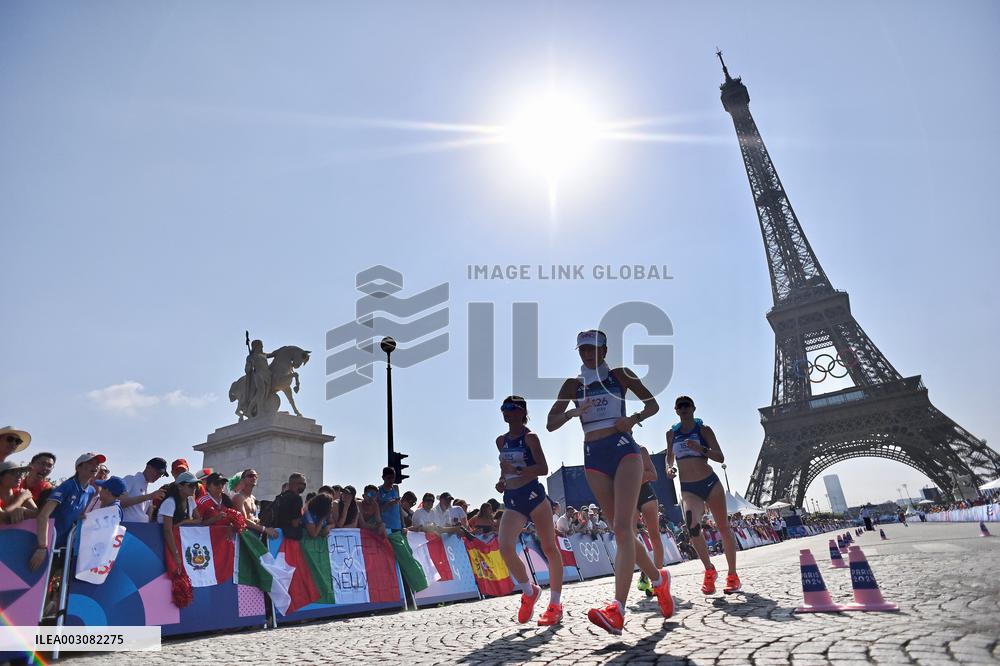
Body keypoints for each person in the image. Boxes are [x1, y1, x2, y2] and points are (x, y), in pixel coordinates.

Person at [548, 329, 671, 634]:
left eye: (593, 349)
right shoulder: (573, 384)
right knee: (620, 529)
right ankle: (658, 579)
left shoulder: (620, 375)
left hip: (623, 449)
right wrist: (573, 412)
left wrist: (633, 420)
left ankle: (617, 609)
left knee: (623, 528)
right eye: (582, 350)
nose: (587, 354)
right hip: (593, 456)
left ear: (604, 350)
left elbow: (653, 405)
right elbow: (550, 423)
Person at [494, 396, 564, 626]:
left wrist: (516, 470)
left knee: (549, 548)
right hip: (513, 499)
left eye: (511, 408)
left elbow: (543, 468)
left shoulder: (530, 437)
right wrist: (502, 481)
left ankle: (555, 604)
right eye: (503, 408)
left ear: (522, 412)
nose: (506, 412)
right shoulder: (501, 441)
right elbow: (504, 470)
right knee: (505, 547)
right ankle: (529, 591)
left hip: (534, 496)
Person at [665, 395, 740, 595]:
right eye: (680, 406)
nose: (683, 408)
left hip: (710, 483)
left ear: (693, 408)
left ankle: (732, 575)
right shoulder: (671, 434)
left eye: (687, 405)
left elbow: (720, 457)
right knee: (692, 528)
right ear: (676, 410)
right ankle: (709, 570)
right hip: (689, 488)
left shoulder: (703, 430)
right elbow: (669, 458)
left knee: (723, 527)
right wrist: (669, 469)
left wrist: (701, 448)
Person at [30, 452, 105, 571]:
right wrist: (42, 547)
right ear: (78, 467)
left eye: (97, 464)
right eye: (91, 463)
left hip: (65, 547)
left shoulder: (91, 491)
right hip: (45, 545)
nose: (95, 466)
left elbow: (79, 516)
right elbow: (43, 516)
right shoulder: (67, 486)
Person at [159, 472, 202, 576]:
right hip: (162, 544)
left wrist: (185, 521)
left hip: (178, 543)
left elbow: (199, 519)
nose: (194, 488)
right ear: (179, 486)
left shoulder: (190, 500)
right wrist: (176, 555)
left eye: (196, 485)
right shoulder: (170, 502)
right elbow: (167, 530)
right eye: (190, 485)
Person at [635, 445, 664, 597]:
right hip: (629, 497)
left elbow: (653, 475)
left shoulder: (641, 450)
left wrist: (633, 477)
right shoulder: (615, 450)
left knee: (654, 536)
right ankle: (645, 572)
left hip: (646, 494)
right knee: (629, 538)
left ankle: (657, 580)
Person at [120, 458, 169, 523]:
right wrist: (149, 496)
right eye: (158, 472)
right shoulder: (130, 479)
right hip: (128, 527)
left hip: (142, 527)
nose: (159, 476)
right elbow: (120, 503)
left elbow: (148, 515)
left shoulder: (148, 490)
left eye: (161, 474)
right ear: (148, 467)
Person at [232, 469, 277, 538]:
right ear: (242, 480)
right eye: (250, 476)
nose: (254, 478)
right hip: (243, 536)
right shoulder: (239, 497)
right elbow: (242, 520)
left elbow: (254, 518)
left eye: (256, 476)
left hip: (255, 534)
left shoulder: (253, 498)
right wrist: (264, 529)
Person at [377, 467, 403, 534]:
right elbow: (377, 511)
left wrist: (403, 524)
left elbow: (399, 508)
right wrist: (389, 504)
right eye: (388, 478)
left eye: (393, 478)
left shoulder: (396, 488)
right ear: (383, 478)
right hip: (386, 527)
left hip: (398, 526)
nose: (391, 480)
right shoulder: (378, 490)